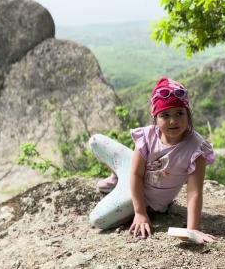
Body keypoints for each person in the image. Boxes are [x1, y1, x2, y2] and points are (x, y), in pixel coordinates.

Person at [89, 77, 217, 244]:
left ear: (188, 114)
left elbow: (194, 192)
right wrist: (139, 212)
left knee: (97, 220)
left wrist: (192, 229)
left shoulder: (196, 149)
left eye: (179, 113)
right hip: (134, 175)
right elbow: (135, 174)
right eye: (165, 115)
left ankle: (124, 193)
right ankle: (117, 177)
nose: (173, 121)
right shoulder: (148, 136)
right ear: (155, 117)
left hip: (147, 197)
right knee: (95, 141)